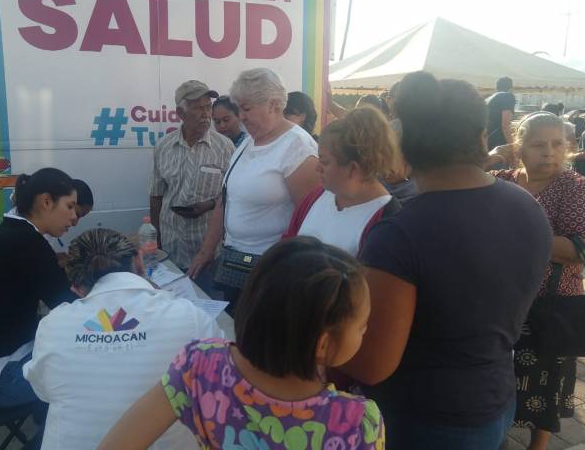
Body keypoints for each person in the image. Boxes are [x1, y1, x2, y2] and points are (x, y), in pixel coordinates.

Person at [338, 72, 553, 449]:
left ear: (403, 146)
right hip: (497, 399)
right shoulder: (527, 207)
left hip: (425, 418)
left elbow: (374, 365)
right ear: (481, 137)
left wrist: (316, 344)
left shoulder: (400, 234)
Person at [97, 237, 384, 450]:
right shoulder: (355, 423)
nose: (366, 330)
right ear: (322, 344)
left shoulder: (199, 364)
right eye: (362, 326)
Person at [23, 228, 223, 450]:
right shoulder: (189, 316)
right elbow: (220, 385)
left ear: (77, 289)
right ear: (139, 261)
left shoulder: (54, 324)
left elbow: (43, 391)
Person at [488, 112, 585, 450]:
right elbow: (461, 183)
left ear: (568, 147)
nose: (549, 152)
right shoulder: (501, 180)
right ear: (518, 147)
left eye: (557, 144)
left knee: (546, 382)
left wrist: (513, 234)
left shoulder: (577, 188)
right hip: (498, 302)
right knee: (496, 378)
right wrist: (493, 156)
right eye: (538, 144)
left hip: (551, 304)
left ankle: (537, 445)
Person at [187, 68, 319, 311]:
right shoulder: (248, 141)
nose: (242, 117)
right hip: (235, 264)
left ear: (274, 104)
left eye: (246, 109)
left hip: (271, 273)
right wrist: (206, 251)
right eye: (239, 109)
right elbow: (225, 199)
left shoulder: (298, 147)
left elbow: (310, 219)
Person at [0, 167, 78, 407]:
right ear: (46, 202)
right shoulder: (27, 243)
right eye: (69, 206)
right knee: (92, 369)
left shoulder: (12, 232)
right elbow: (68, 306)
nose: (74, 217)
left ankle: (43, 416)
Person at [285, 106, 401, 257]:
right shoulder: (315, 197)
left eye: (325, 162)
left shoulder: (386, 220)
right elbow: (287, 245)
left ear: (352, 168)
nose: (317, 168)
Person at [150, 80, 235, 272]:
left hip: (208, 250)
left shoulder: (225, 147)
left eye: (208, 107)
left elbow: (231, 194)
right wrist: (157, 242)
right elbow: (156, 196)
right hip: (171, 246)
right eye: (198, 108)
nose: (206, 114)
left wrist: (208, 205)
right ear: (180, 113)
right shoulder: (163, 147)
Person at [486, 76, 516, 150]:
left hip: (487, 140)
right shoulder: (507, 96)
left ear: (497, 87)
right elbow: (505, 125)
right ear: (510, 88)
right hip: (499, 141)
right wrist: (513, 146)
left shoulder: (488, 99)